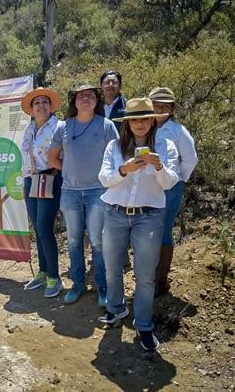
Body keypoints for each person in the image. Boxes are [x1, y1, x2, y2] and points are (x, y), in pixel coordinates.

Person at [98, 97, 179, 352]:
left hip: (149, 216)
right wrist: (124, 169)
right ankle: (116, 309)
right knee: (112, 267)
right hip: (114, 213)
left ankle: (143, 324)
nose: (140, 123)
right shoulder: (114, 146)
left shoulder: (165, 146)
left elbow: (170, 182)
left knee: (145, 275)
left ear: (153, 121)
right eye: (135, 119)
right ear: (128, 123)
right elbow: (104, 178)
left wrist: (159, 167)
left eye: (145, 118)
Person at [48, 83, 118, 306]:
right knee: (75, 241)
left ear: (97, 100)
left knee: (98, 241)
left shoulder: (106, 125)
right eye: (80, 96)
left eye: (90, 95)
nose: (85, 99)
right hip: (69, 192)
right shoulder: (64, 127)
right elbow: (52, 158)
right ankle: (77, 284)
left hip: (98, 191)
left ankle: (102, 288)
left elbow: (116, 158)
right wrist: (68, 170)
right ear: (74, 101)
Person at [149, 87, 198, 296]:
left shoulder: (178, 130)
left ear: (172, 108)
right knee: (148, 230)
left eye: (165, 105)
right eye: (156, 104)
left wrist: (178, 179)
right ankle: (149, 275)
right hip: (148, 187)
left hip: (170, 187)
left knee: (164, 230)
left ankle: (161, 280)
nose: (160, 108)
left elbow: (190, 159)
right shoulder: (144, 127)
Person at [20, 88, 65, 298]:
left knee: (44, 228)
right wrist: (24, 183)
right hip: (31, 181)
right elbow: (25, 158)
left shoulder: (59, 127)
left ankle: (55, 278)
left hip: (51, 179)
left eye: (44, 102)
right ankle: (43, 272)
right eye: (36, 103)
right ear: (31, 109)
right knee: (37, 229)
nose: (40, 105)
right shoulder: (28, 129)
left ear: (50, 106)